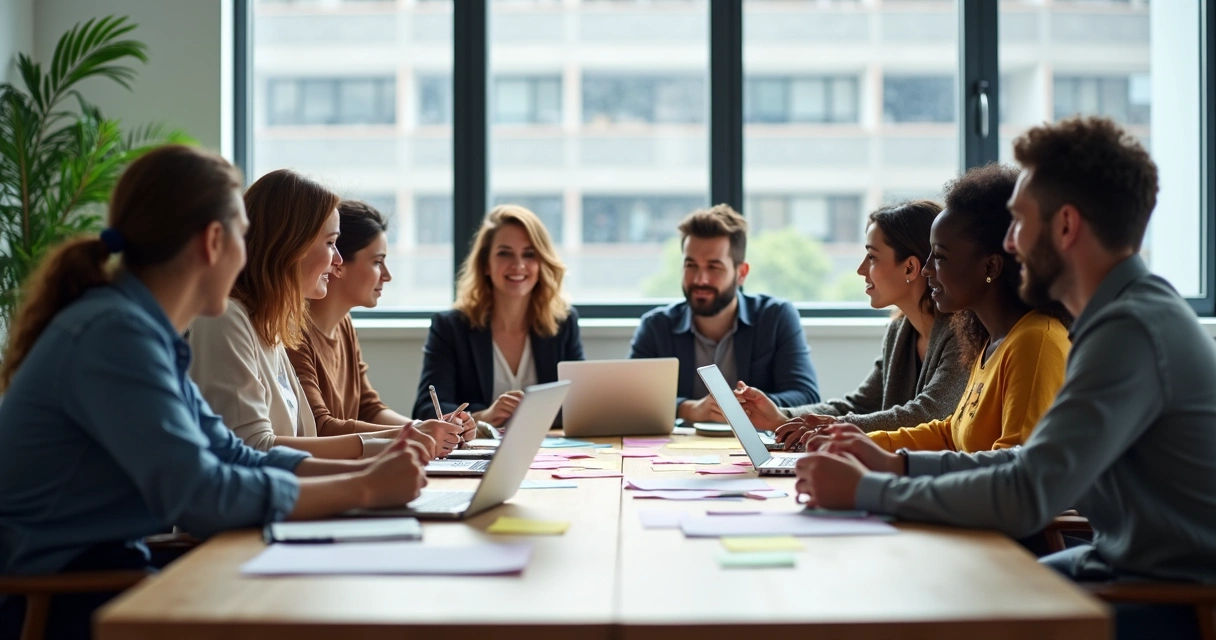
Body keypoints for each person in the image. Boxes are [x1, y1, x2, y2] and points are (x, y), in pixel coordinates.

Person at [796, 117, 1216, 640]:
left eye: (1019, 223)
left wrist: (870, 491)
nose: (1011, 244)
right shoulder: (1117, 318)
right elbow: (1029, 460)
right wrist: (899, 465)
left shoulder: (1128, 330)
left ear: (1065, 226)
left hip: (1169, 600)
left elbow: (1028, 493)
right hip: (1118, 568)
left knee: (920, 607)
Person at [0, 146, 430, 639]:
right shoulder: (116, 335)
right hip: (63, 601)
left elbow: (232, 453)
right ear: (212, 242)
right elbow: (203, 495)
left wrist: (370, 470)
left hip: (106, 582)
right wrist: (364, 487)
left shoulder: (144, 332)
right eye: (244, 237)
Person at [801, 165, 1071, 455]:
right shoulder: (991, 344)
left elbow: (1013, 470)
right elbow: (948, 433)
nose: (927, 269)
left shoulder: (1034, 342)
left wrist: (891, 469)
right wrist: (851, 443)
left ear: (991, 266)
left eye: (940, 257)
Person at [189, 170, 456, 458]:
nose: (337, 260)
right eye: (330, 244)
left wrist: (403, 443)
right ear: (292, 245)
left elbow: (304, 439)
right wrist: (398, 442)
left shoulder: (274, 325)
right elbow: (254, 448)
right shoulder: (227, 320)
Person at [734, 200, 968, 445]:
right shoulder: (900, 331)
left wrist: (834, 428)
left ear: (910, 268)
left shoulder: (963, 336)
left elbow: (927, 414)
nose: (860, 269)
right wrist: (783, 416)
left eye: (872, 257)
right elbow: (862, 404)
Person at [287, 200, 474, 453]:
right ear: (337, 263)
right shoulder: (293, 333)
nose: (387, 275)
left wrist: (431, 429)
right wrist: (416, 434)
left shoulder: (343, 324)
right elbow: (321, 428)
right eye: (377, 262)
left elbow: (369, 408)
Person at [629, 204, 820, 423]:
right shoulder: (656, 327)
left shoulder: (776, 318)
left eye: (713, 267)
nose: (700, 279)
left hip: (757, 447)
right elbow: (632, 399)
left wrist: (739, 405)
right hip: (678, 449)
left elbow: (807, 396)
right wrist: (688, 409)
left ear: (741, 273)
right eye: (691, 265)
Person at [415, 204, 584, 427]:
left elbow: (580, 403)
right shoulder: (450, 327)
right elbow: (427, 409)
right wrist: (483, 417)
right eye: (505, 253)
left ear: (542, 263)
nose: (518, 265)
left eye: (529, 254)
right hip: (476, 456)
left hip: (549, 452)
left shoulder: (563, 322)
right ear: (485, 264)